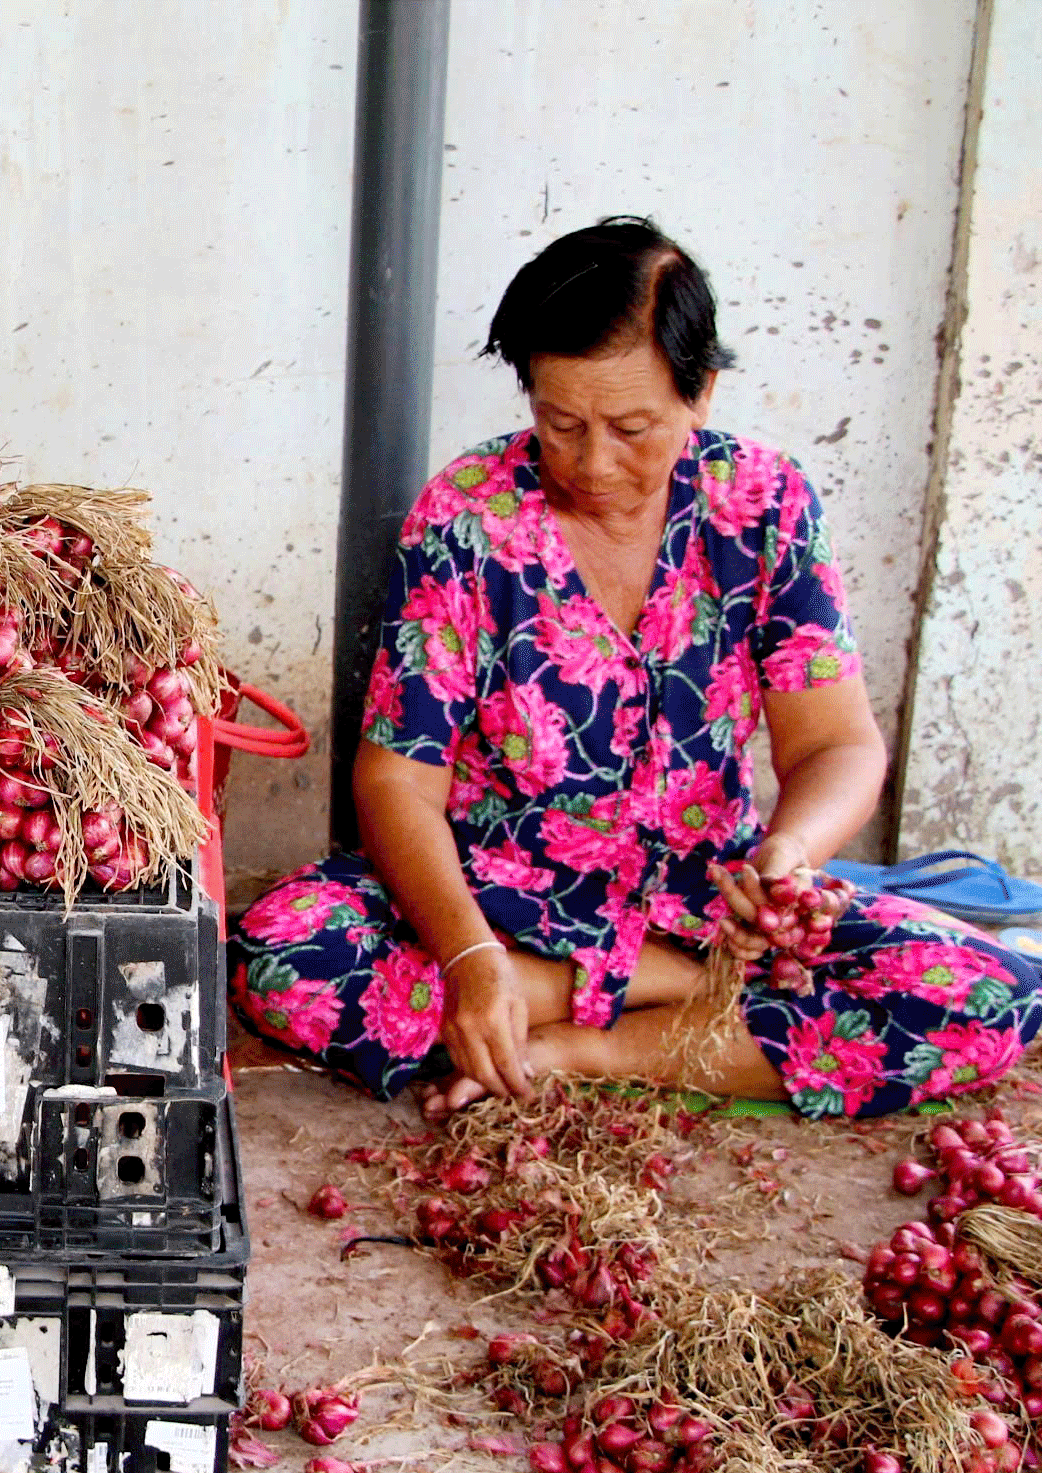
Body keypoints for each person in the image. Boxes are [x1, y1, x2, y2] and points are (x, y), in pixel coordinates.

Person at [230, 217, 1042, 1121]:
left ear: (702, 394)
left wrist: (789, 857)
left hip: (707, 905)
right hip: (506, 895)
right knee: (286, 953)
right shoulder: (469, 517)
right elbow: (398, 778)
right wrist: (467, 956)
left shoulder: (763, 507)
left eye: (631, 427)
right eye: (559, 421)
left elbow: (840, 746)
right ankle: (670, 996)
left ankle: (588, 1042)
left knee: (989, 995)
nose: (591, 462)